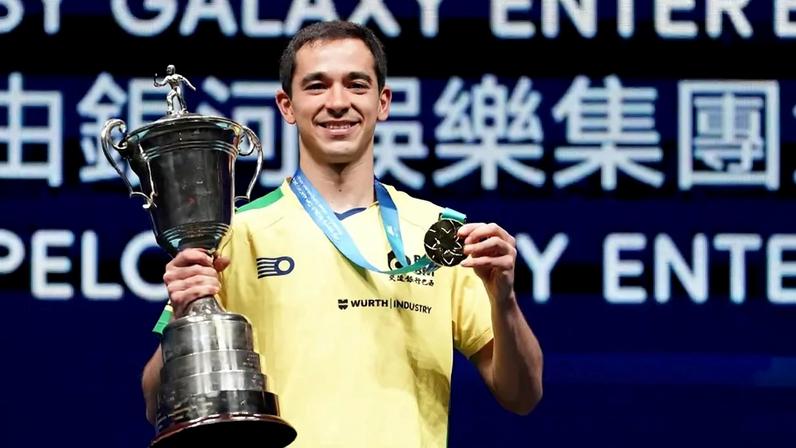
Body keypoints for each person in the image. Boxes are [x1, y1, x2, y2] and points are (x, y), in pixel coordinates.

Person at [141, 20, 543, 448]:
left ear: (382, 102)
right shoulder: (237, 234)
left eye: (356, 84)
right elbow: (154, 404)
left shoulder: (439, 233)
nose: (338, 102)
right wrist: (185, 311)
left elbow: (522, 395)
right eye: (316, 86)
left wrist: (504, 298)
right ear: (287, 105)